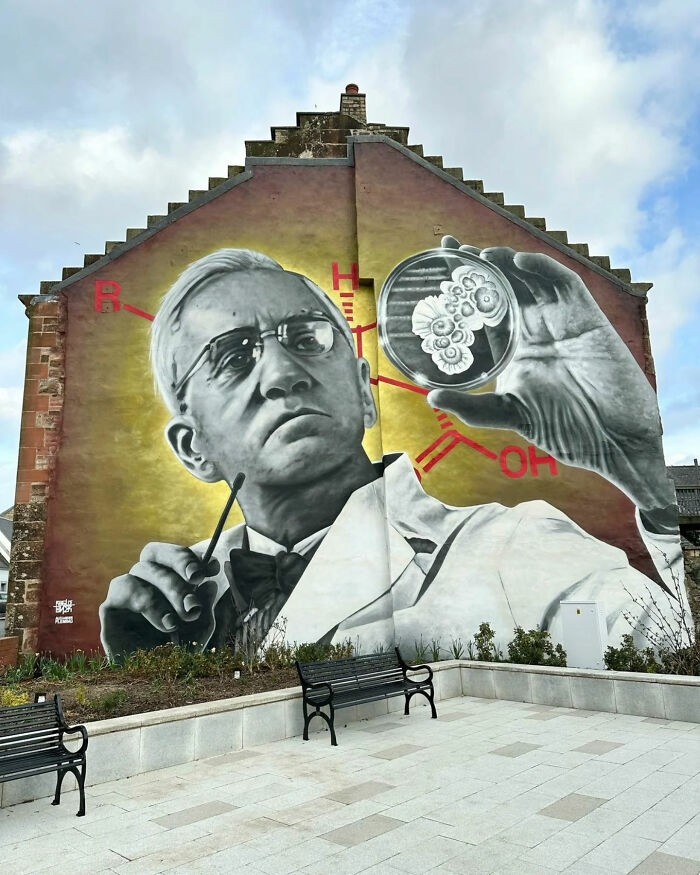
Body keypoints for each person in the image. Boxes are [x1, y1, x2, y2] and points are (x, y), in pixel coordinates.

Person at [99, 243, 686, 659]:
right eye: (231, 358)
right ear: (193, 449)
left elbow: (671, 656)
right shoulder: (180, 599)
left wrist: (642, 469)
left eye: (307, 338)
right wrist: (145, 666)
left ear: (364, 392)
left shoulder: (512, 548)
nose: (282, 374)